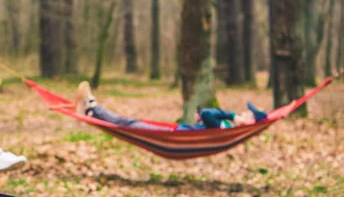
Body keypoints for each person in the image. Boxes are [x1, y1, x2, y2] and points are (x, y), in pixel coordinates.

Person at [74, 81, 267, 131]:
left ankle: (93, 108)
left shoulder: (227, 128)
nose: (242, 113)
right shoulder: (226, 127)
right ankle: (92, 110)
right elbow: (207, 117)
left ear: (250, 122)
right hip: (175, 132)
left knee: (129, 123)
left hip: (176, 135)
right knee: (128, 123)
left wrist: (232, 115)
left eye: (247, 114)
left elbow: (209, 113)